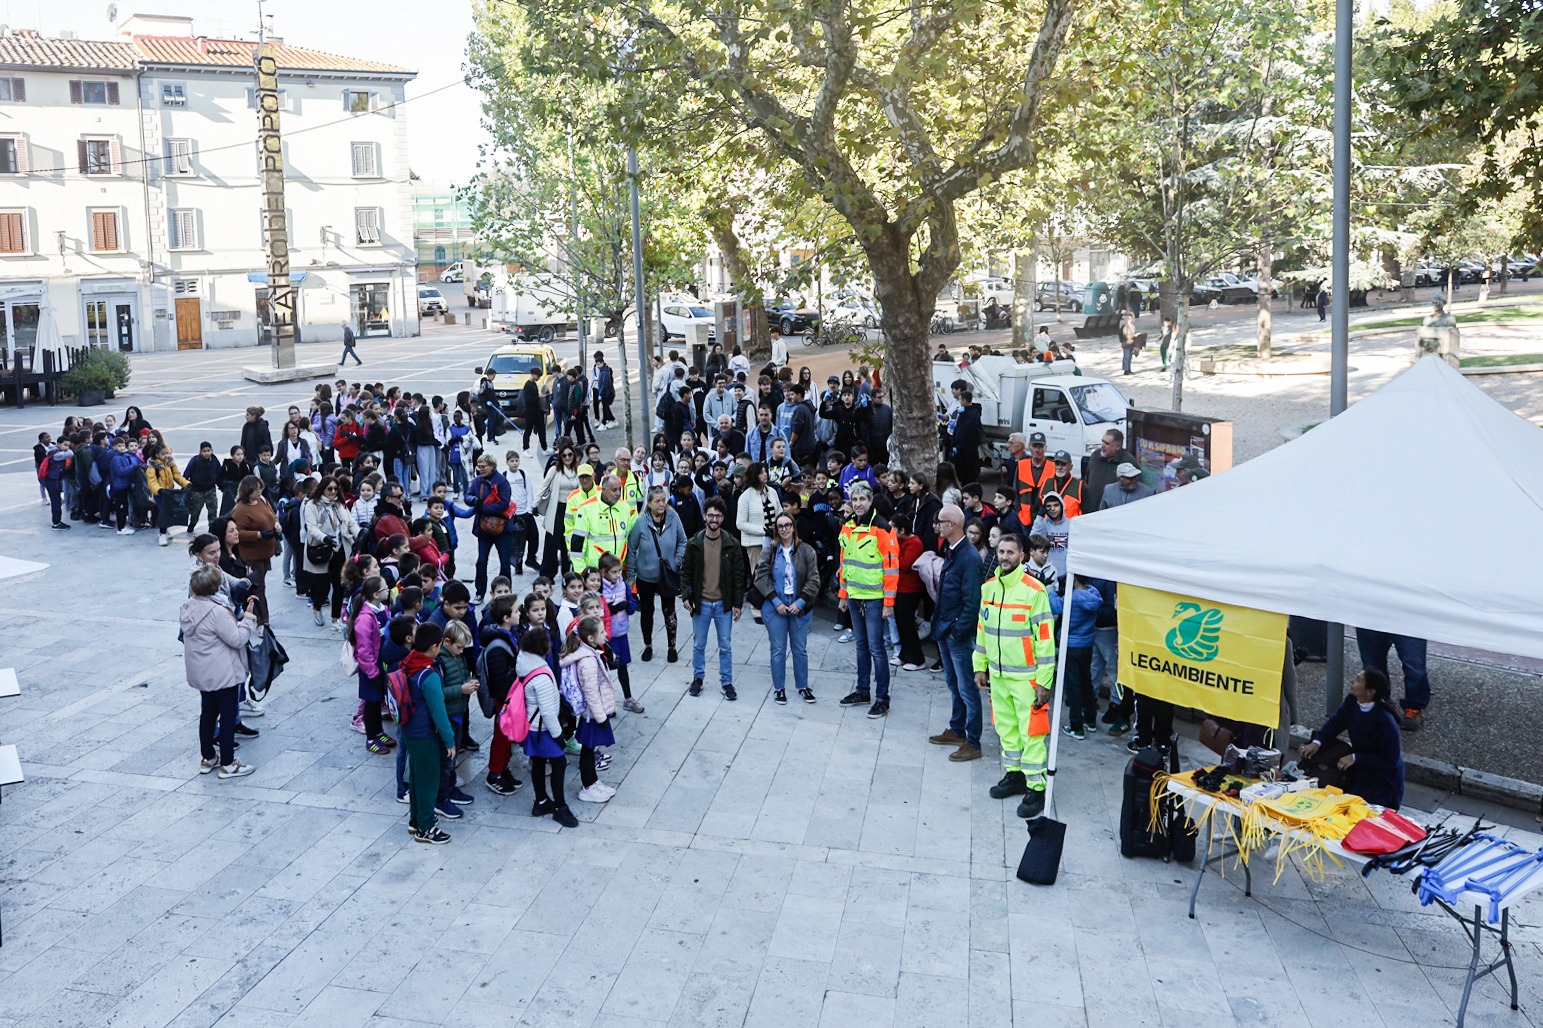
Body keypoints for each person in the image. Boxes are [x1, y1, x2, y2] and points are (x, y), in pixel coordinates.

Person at [975, 533, 1057, 819]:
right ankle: (1015, 775)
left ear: (1022, 556)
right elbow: (982, 630)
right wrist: (979, 665)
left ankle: (1036, 787)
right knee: (1006, 729)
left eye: (1011, 552)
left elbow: (1045, 641)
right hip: (998, 676)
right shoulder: (989, 589)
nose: (1005, 557)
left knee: (1032, 733)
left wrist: (1045, 682)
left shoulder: (1035, 590)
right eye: (1001, 552)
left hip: (1027, 679)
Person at [181, 564, 259, 779]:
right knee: (226, 716)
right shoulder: (217, 611)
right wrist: (249, 619)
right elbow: (237, 639)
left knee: (208, 713)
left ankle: (208, 758)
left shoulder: (188, 606)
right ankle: (228, 763)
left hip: (202, 673)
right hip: (222, 673)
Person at [1301, 669, 1405, 809]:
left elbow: (1390, 760)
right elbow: (1336, 722)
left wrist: (1355, 758)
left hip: (1381, 781)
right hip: (1360, 771)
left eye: (1358, 680)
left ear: (1370, 692)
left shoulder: (1385, 722)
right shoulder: (1353, 701)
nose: (1352, 681)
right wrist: (1317, 742)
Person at [837, 482, 898, 718]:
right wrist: (843, 594)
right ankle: (863, 691)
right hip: (854, 597)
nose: (859, 503)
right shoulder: (847, 526)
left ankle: (882, 698)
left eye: (863, 499)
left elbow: (892, 568)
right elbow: (844, 563)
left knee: (877, 649)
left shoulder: (882, 528)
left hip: (874, 599)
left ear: (871, 501)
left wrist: (889, 603)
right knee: (861, 645)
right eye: (855, 499)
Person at [929, 504, 984, 762]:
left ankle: (973, 741)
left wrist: (957, 631)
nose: (937, 525)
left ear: (953, 525)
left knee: (967, 687)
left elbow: (973, 601)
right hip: (945, 628)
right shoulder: (952, 551)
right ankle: (957, 728)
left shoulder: (969, 557)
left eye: (941, 521)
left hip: (955, 633)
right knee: (954, 684)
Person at [680, 496, 746, 699]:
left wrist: (737, 603)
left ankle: (726, 682)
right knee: (699, 644)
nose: (714, 519)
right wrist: (685, 596)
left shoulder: (732, 544)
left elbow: (738, 575)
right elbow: (686, 572)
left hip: (723, 604)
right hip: (701, 603)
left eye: (718, 515)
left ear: (723, 518)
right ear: (704, 517)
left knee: (725, 645)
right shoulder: (694, 543)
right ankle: (697, 679)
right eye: (711, 515)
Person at [397, 623, 457, 844]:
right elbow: (438, 712)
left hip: (409, 731)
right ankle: (426, 828)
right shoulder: (428, 675)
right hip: (425, 735)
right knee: (428, 781)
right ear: (434, 647)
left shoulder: (409, 663)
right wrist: (449, 740)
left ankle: (416, 821)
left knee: (416, 777)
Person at [754, 512, 820, 704]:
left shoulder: (806, 551)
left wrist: (800, 603)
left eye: (787, 525)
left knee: (800, 649)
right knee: (778, 649)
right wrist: (776, 602)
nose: (784, 529)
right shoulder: (770, 550)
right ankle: (779, 688)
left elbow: (814, 580)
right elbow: (761, 577)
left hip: (799, 607)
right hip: (776, 607)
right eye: (780, 526)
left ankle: (802, 686)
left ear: (793, 527)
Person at [561, 615, 619, 804]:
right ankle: (587, 786)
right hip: (592, 715)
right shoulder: (588, 661)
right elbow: (591, 692)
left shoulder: (591, 653)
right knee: (588, 750)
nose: (605, 634)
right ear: (591, 638)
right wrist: (601, 717)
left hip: (593, 714)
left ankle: (593, 781)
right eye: (601, 632)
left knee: (590, 749)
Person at [625, 486, 686, 663]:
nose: (661, 504)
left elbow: (683, 541)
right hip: (646, 576)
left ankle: (672, 647)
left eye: (663, 500)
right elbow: (632, 548)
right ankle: (648, 645)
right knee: (647, 612)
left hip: (667, 575)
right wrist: (631, 574)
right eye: (657, 501)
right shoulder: (641, 522)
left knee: (670, 611)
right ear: (649, 503)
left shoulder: (673, 517)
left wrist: (676, 561)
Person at [303, 475, 360, 630]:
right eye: (330, 488)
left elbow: (350, 522)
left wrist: (359, 534)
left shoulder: (339, 504)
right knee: (322, 585)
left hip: (340, 548)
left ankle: (336, 619)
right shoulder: (312, 504)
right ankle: (317, 607)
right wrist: (324, 538)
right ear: (323, 488)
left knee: (339, 584)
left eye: (336, 488)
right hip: (321, 548)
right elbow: (311, 527)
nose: (333, 492)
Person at [1355, 629, 1432, 731]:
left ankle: (1413, 707)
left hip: (1410, 619)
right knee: (1372, 665)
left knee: (1415, 667)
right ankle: (1380, 701)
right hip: (1372, 618)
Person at [231, 475, 280, 624]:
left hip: (266, 552)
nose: (259, 492)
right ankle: (261, 621)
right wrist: (258, 534)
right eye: (256, 490)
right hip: (251, 555)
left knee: (258, 586)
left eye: (260, 489)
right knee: (259, 587)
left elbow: (273, 516)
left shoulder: (262, 501)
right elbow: (237, 532)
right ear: (248, 491)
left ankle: (253, 615)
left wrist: (276, 524)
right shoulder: (240, 509)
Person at [1059, 580, 1103, 740]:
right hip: (1087, 644)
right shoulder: (1094, 594)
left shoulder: (1072, 597)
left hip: (1071, 645)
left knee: (1073, 687)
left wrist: (1051, 591)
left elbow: (1055, 605)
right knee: (1086, 682)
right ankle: (1090, 720)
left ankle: (1076, 726)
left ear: (1075, 578)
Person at [469, 454, 514, 600]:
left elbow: (504, 503)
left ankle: (505, 592)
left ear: (492, 466)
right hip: (483, 529)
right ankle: (480, 592)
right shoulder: (477, 481)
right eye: (479, 466)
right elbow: (467, 496)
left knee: (505, 563)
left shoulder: (502, 481)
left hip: (502, 529)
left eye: (483, 467)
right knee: (481, 561)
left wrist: (483, 508)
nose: (480, 469)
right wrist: (474, 500)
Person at [891, 513, 928, 672]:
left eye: (893, 528)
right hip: (898, 588)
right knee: (900, 623)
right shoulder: (900, 541)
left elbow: (904, 564)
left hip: (910, 590)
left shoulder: (914, 543)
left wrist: (894, 550)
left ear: (902, 530)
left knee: (907, 624)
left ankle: (917, 658)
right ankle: (904, 654)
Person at [1083, 430, 1137, 510]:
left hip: (1110, 513)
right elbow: (1086, 479)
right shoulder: (1095, 456)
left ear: (1117, 447)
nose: (1102, 445)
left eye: (1107, 443)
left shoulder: (1129, 462)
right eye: (1102, 441)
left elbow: (1136, 490)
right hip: (1089, 511)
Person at [1014, 431, 1056, 518]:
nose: (1037, 450)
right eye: (1034, 446)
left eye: (1041, 446)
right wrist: (1019, 512)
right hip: (1024, 518)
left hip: (1046, 518)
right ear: (1029, 447)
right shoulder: (1021, 466)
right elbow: (1015, 492)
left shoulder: (1053, 467)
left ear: (1045, 448)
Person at [1044, 451, 1085, 518]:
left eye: (1063, 464)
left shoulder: (1080, 486)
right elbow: (1037, 509)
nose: (1059, 467)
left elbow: (1088, 513)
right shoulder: (1046, 483)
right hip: (1048, 528)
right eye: (1057, 464)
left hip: (1070, 528)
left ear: (1071, 467)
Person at [520, 367, 548, 451]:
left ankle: (544, 448)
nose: (538, 378)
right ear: (533, 374)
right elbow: (528, 400)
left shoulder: (534, 384)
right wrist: (538, 397)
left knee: (542, 430)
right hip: (530, 412)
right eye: (538, 376)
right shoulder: (527, 385)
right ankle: (526, 448)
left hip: (537, 411)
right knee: (528, 430)